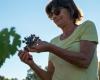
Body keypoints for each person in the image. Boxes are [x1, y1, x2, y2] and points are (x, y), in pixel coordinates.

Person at [18, 0, 99, 80]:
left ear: (70, 9)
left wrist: (51, 48)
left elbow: (84, 61)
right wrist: (31, 64)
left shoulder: (87, 26)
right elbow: (49, 77)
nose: (54, 16)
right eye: (51, 15)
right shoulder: (53, 42)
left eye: (57, 11)